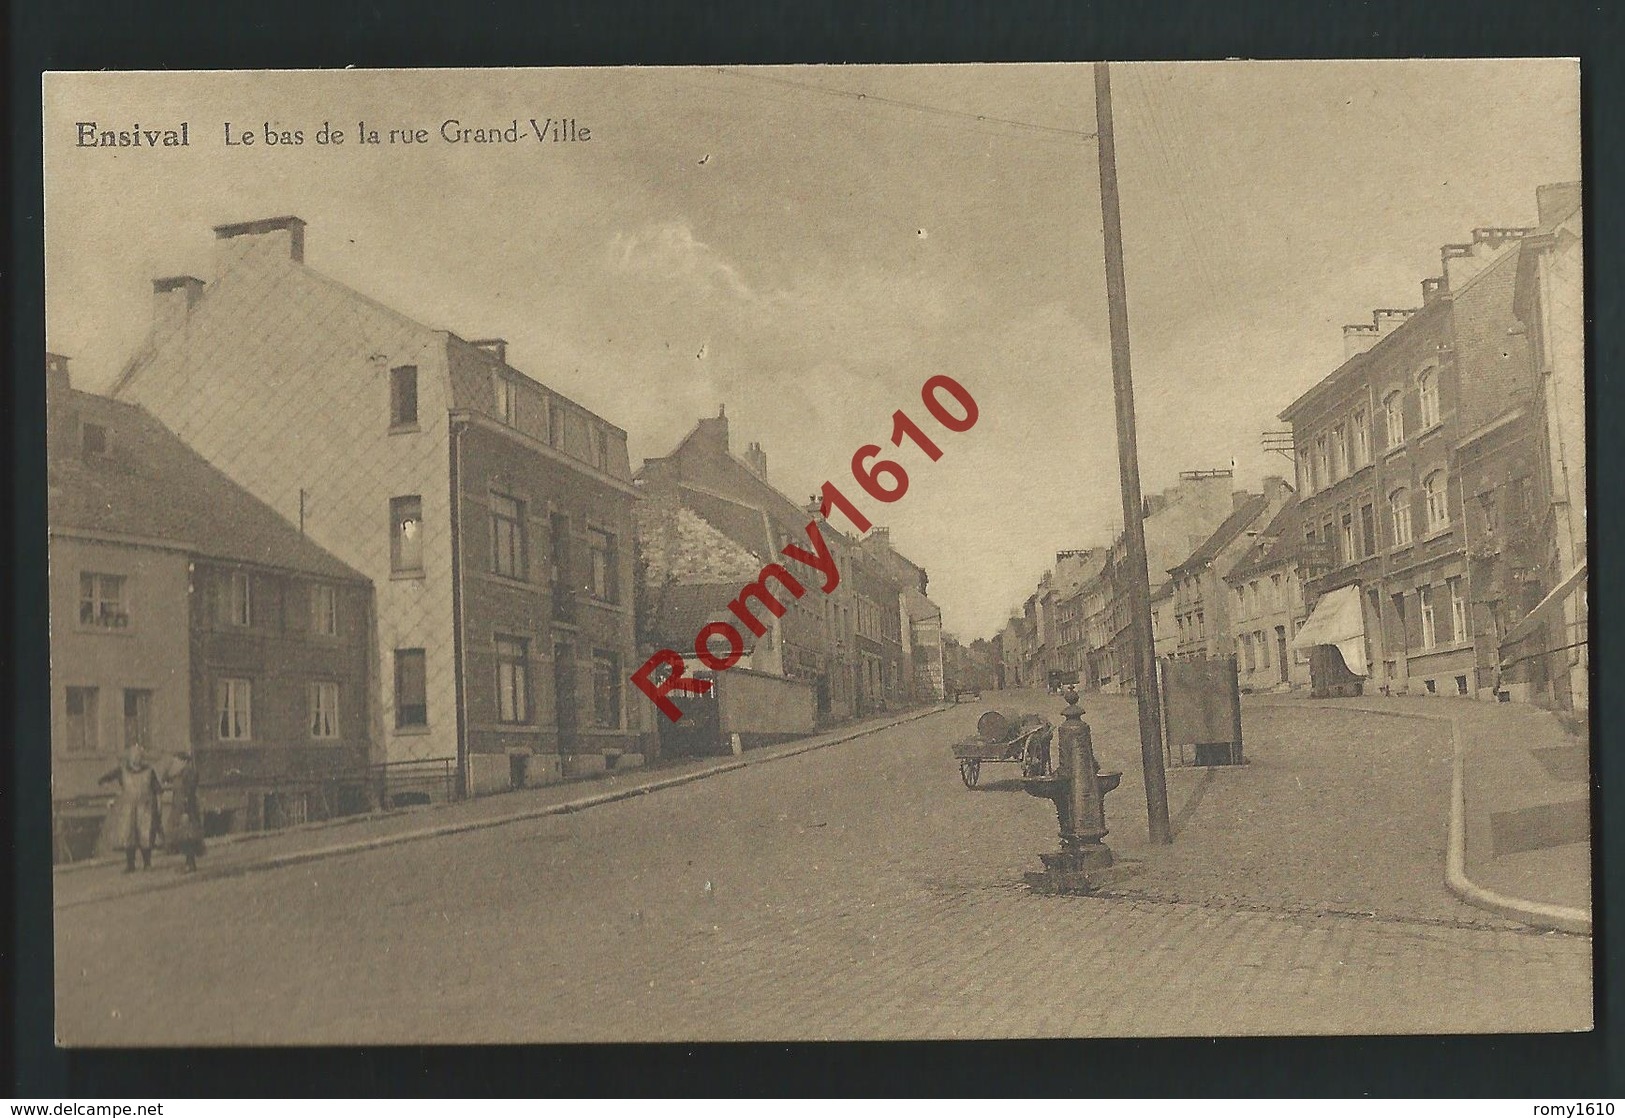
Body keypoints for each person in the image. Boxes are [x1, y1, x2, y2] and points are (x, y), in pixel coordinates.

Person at [97, 744, 162, 873]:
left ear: (142, 758)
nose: (136, 758)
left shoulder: (149, 771)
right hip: (128, 809)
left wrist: (159, 806)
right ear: (129, 757)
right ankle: (130, 865)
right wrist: (113, 793)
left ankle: (147, 863)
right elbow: (105, 779)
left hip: (145, 808)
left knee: (145, 835)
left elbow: (157, 790)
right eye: (134, 755)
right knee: (129, 836)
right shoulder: (123, 770)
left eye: (139, 756)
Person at [163, 751, 206, 873]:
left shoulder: (189, 773)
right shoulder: (179, 773)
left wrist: (186, 811)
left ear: (184, 761)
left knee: (188, 837)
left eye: (176, 760)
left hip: (186, 808)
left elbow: (188, 792)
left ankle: (191, 864)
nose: (174, 762)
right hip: (178, 808)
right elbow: (165, 777)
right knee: (183, 837)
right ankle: (188, 863)